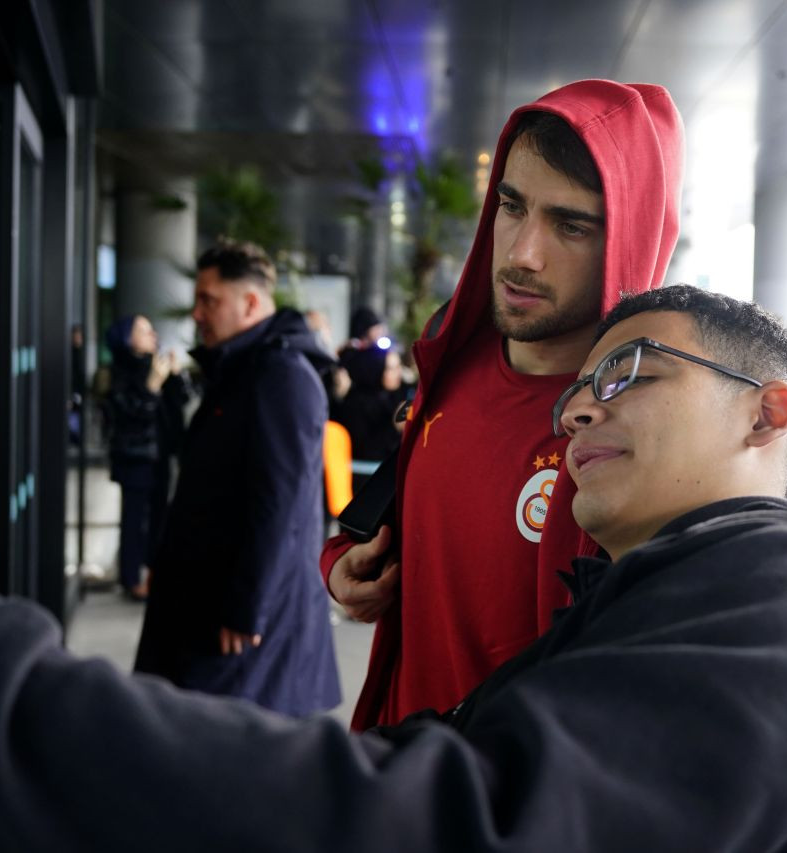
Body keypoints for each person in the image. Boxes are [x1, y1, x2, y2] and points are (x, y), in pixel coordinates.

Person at [0, 286, 787, 851]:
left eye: (631, 370)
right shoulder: (656, 596)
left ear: (768, 416)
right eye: (580, 382)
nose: (582, 406)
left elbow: (445, 828)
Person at [321, 79, 684, 728]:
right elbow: (413, 531)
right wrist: (344, 562)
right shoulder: (450, 359)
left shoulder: (641, 443)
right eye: (511, 207)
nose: (521, 253)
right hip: (389, 775)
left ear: (627, 240)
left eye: (571, 225)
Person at [132, 240, 340, 716]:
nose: (198, 315)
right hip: (209, 605)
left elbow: (280, 504)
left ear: (249, 304)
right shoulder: (243, 368)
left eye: (209, 300)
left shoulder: (280, 375)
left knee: (218, 753)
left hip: (238, 622)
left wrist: (249, 608)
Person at [102, 314, 183, 601]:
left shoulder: (155, 365)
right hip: (134, 457)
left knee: (160, 517)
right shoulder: (117, 373)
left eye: (151, 329)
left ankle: (153, 574)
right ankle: (131, 578)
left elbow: (178, 407)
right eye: (143, 330)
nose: (152, 334)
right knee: (134, 519)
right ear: (126, 337)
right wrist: (151, 388)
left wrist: (175, 377)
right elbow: (128, 417)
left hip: (161, 455)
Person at [331, 346, 409, 489]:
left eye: (399, 367)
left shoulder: (396, 397)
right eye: (391, 369)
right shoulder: (356, 403)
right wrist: (393, 427)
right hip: (362, 483)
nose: (398, 373)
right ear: (376, 370)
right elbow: (365, 449)